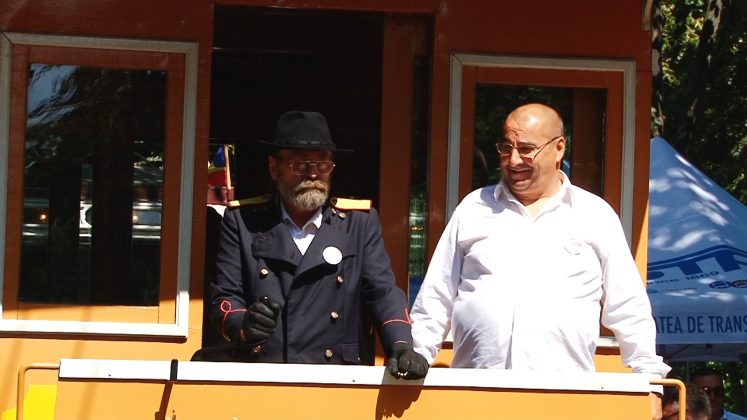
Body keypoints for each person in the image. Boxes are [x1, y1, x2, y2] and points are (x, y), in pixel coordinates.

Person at [409, 103, 671, 416]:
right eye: (506, 148)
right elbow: (436, 298)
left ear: (559, 148)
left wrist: (650, 381)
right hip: (475, 396)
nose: (513, 160)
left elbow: (629, 308)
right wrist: (416, 357)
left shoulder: (595, 215)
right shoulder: (473, 208)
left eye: (526, 149)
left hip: (565, 400)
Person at [199, 110, 428, 380]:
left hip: (339, 380)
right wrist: (243, 324)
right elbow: (225, 296)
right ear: (274, 168)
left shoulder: (358, 223)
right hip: (264, 377)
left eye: (323, 165)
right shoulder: (242, 221)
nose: (313, 174)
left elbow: (382, 292)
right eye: (300, 165)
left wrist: (401, 344)